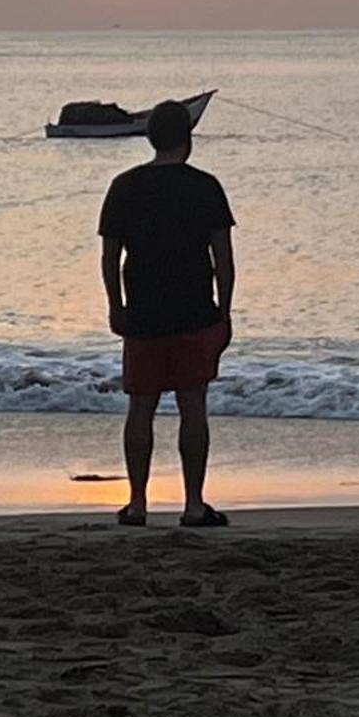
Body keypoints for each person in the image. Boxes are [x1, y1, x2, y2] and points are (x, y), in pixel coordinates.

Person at [98, 100, 236, 528]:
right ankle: (193, 504)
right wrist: (225, 311)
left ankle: (137, 503)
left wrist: (115, 304)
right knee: (193, 404)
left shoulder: (125, 186)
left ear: (149, 137)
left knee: (141, 406)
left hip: (144, 309)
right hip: (194, 309)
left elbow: (109, 256)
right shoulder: (205, 187)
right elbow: (223, 259)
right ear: (188, 139)